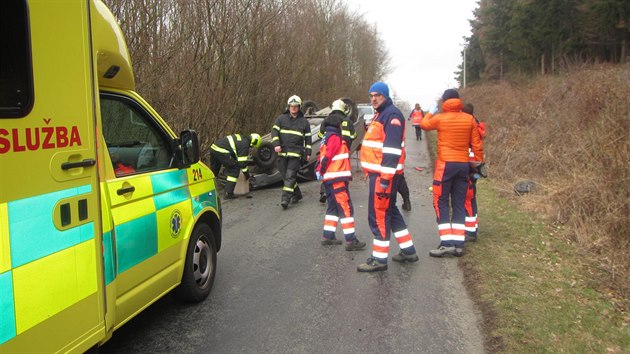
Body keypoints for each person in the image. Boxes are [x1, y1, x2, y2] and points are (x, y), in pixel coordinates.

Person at [357, 82, 419, 272]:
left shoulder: (391, 115)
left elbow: (391, 151)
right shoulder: (382, 114)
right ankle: (408, 251)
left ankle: (379, 259)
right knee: (390, 211)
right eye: (371, 95)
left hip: (385, 177)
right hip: (380, 175)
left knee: (379, 216)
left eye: (377, 95)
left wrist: (384, 179)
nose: (373, 98)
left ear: (385, 96)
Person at [420, 89, 484, 257]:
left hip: (445, 166)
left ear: (445, 101)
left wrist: (430, 113)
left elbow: (424, 125)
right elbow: (477, 145)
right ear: (458, 101)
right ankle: (459, 244)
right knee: (459, 203)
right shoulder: (469, 119)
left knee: (440, 201)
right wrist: (476, 165)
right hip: (463, 165)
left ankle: (446, 243)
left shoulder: (440, 118)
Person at [316, 112, 366, 251]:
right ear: (337, 125)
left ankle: (328, 236)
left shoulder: (326, 137)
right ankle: (351, 240)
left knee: (332, 208)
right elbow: (327, 157)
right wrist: (322, 170)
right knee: (345, 208)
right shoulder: (335, 137)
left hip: (330, 178)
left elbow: (323, 157)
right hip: (337, 178)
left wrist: (321, 172)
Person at [272, 95, 312, 209]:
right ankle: (297, 194)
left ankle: (285, 199)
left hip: (295, 154)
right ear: (288, 107)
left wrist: (308, 153)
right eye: (291, 106)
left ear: (299, 107)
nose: (293, 108)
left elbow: (308, 139)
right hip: (282, 153)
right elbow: (274, 133)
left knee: (290, 176)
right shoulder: (280, 119)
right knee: (286, 176)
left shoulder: (304, 122)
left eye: (296, 106)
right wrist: (276, 144)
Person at [318, 99, 357, 203]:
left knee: (327, 170)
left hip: (330, 150)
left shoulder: (327, 119)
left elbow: (320, 135)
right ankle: (342, 192)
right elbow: (354, 135)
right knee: (342, 172)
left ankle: (324, 192)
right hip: (343, 152)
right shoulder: (348, 120)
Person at [210, 133, 262, 199]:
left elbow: (235, 152)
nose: (252, 147)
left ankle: (208, 188)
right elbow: (242, 164)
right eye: (253, 146)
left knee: (214, 171)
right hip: (222, 151)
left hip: (214, 148)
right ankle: (228, 193)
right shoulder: (245, 145)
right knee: (234, 170)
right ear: (253, 142)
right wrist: (247, 175)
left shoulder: (242, 138)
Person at [462, 103, 486, 242]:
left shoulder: (468, 126)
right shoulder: (476, 125)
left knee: (468, 196)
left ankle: (470, 231)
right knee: (471, 195)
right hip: (476, 166)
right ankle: (473, 226)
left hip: (468, 165)